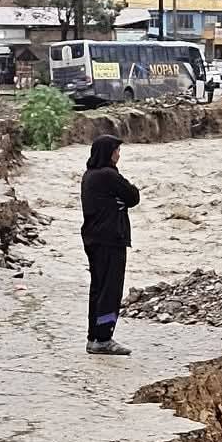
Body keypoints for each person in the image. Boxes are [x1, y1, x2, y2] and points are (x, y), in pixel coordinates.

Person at [80, 135, 140, 356]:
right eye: (116, 150)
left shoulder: (90, 176)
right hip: (110, 240)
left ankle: (94, 336)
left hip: (94, 239)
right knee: (110, 290)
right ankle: (104, 338)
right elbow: (133, 196)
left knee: (98, 289)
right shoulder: (108, 175)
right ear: (107, 153)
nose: (118, 155)